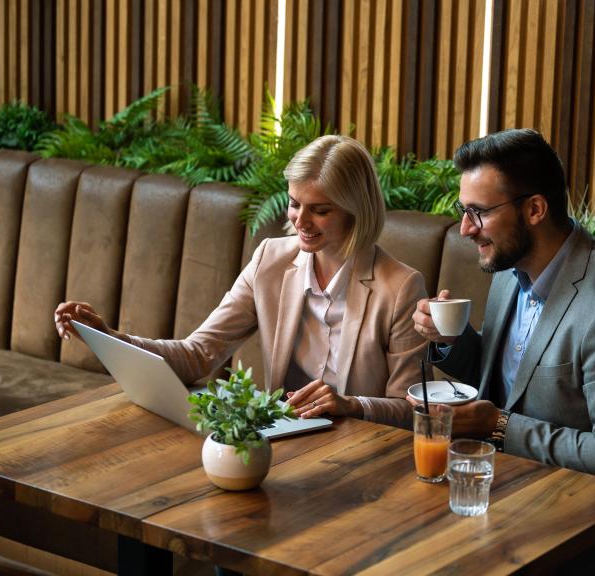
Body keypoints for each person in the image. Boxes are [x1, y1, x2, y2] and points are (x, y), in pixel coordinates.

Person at [412, 129, 595, 575]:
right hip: (509, 510)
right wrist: (452, 343)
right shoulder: (510, 273)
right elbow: (515, 384)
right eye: (463, 211)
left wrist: (497, 426)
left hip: (594, 545)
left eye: (478, 212)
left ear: (535, 209)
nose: (464, 229)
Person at [56, 135, 427, 428]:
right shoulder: (271, 260)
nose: (300, 220)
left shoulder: (400, 287)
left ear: (355, 211)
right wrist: (107, 335)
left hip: (358, 451)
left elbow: (410, 410)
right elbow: (199, 354)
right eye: (295, 203)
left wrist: (352, 406)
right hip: (281, 437)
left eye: (320, 210)